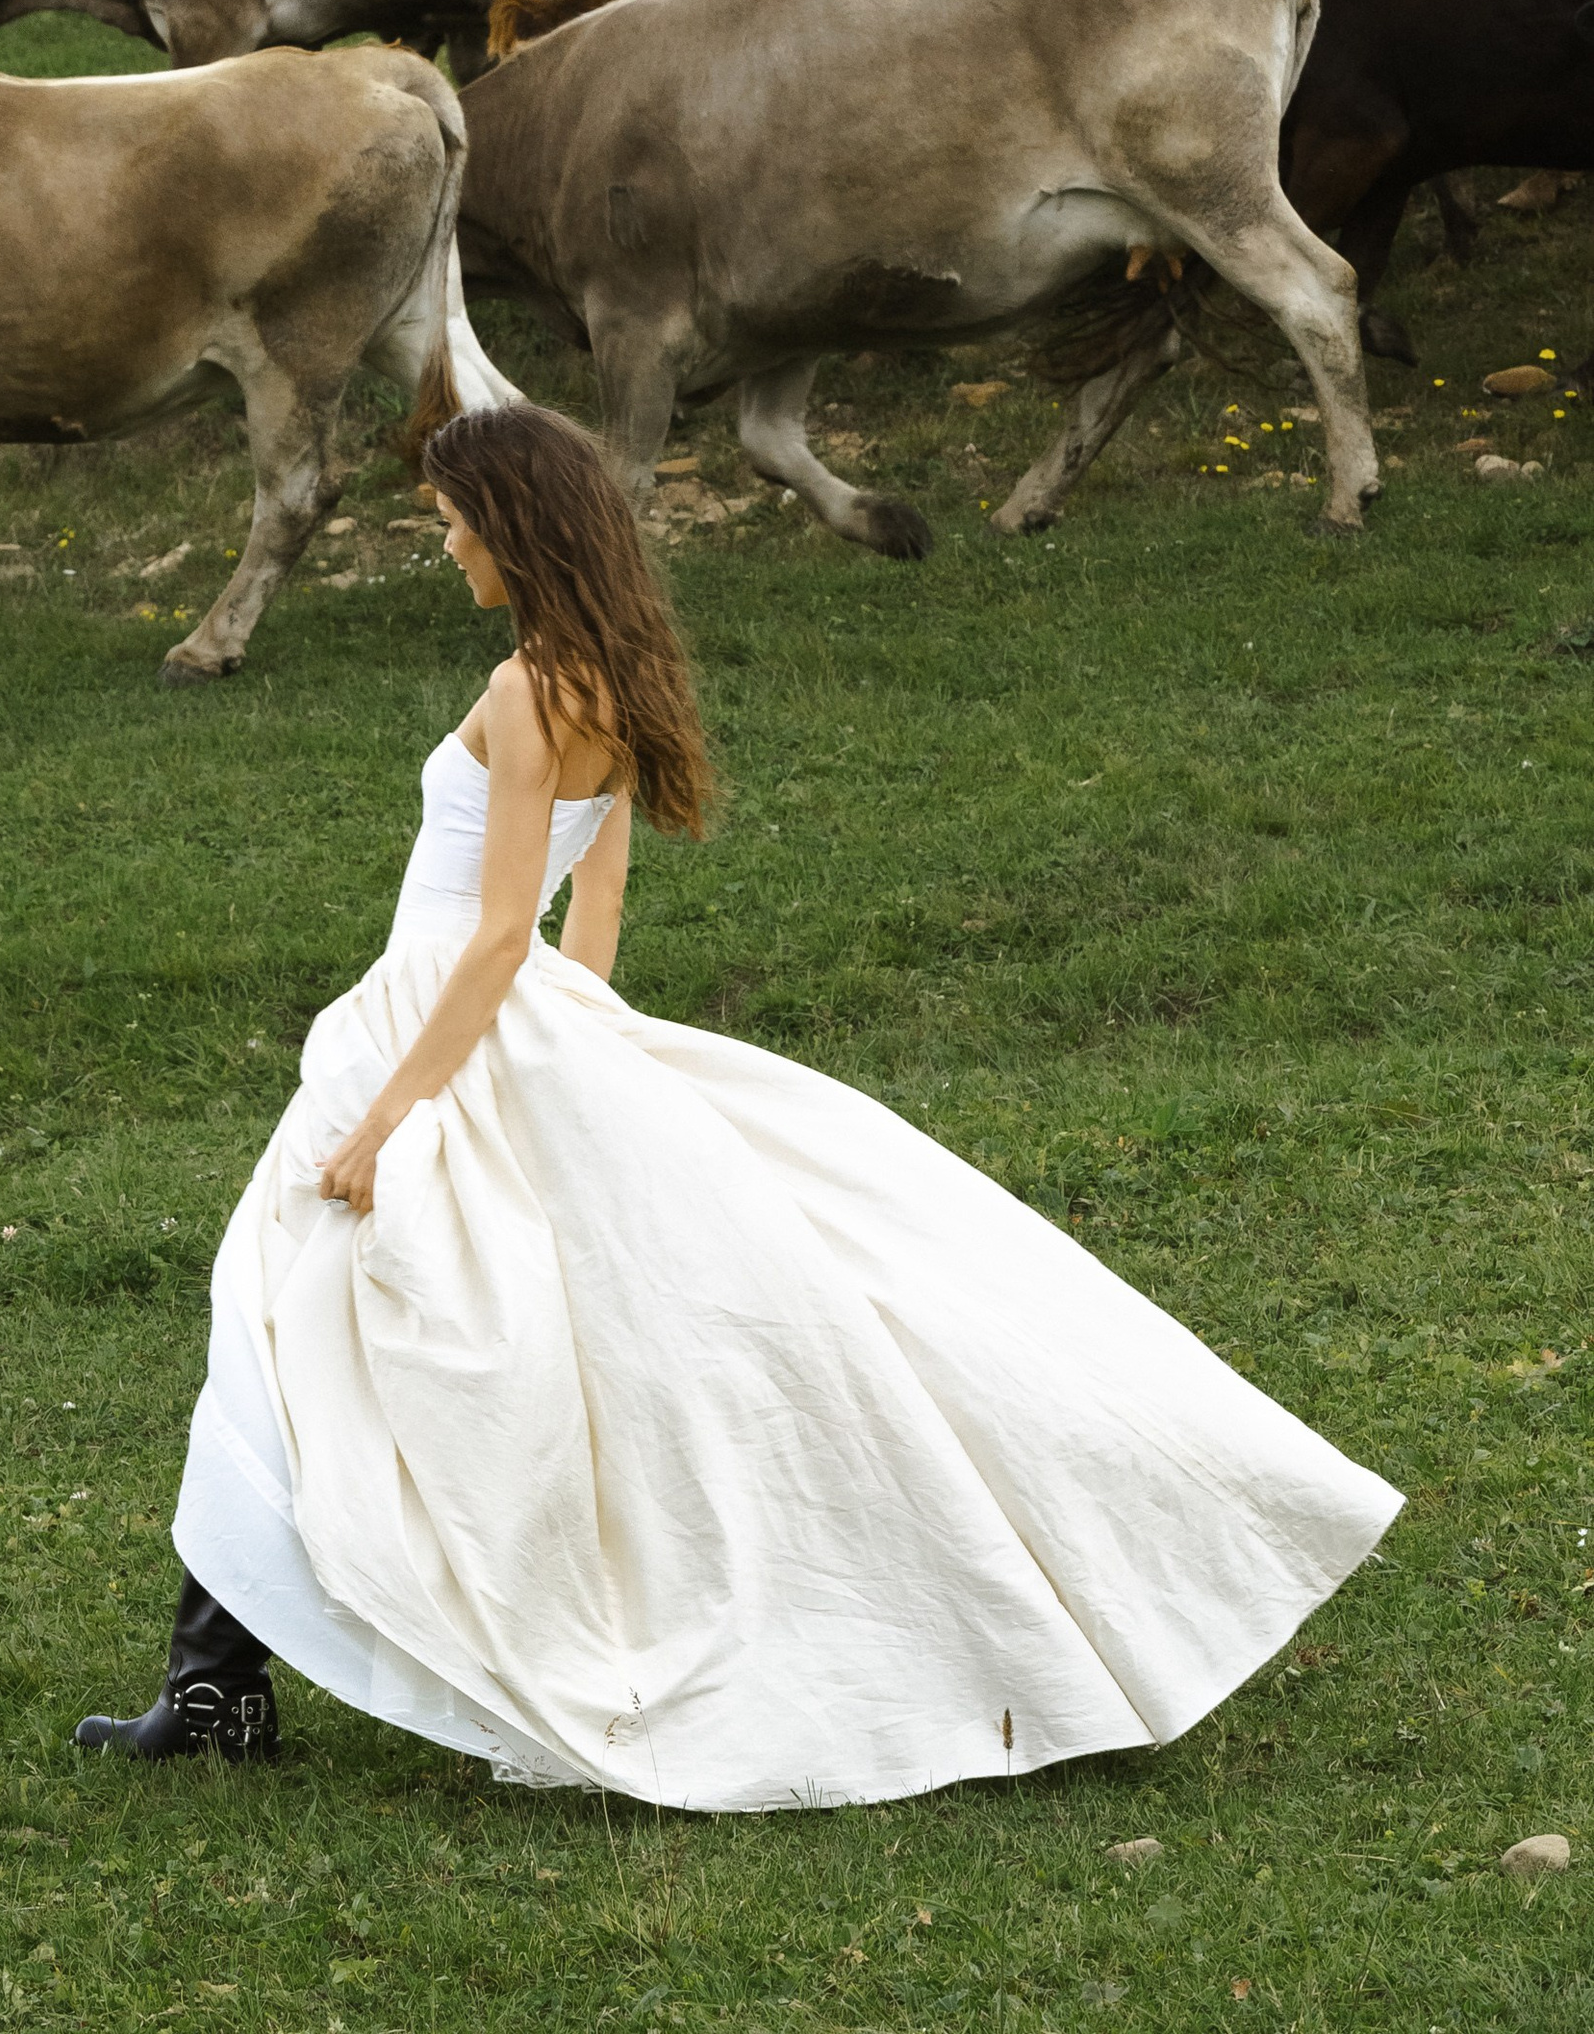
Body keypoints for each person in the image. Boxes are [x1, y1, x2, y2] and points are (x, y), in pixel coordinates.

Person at [75, 402, 1399, 1806]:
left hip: (432, 1022)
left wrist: (392, 1115)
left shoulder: (526, 687)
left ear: (514, 525)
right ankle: (219, 1683)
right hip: (521, 1026)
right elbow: (590, 918)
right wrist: (571, 1059)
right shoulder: (614, 675)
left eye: (455, 522)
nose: (448, 543)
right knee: (349, 1324)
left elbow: (497, 932)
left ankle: (222, 1690)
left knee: (284, 1320)